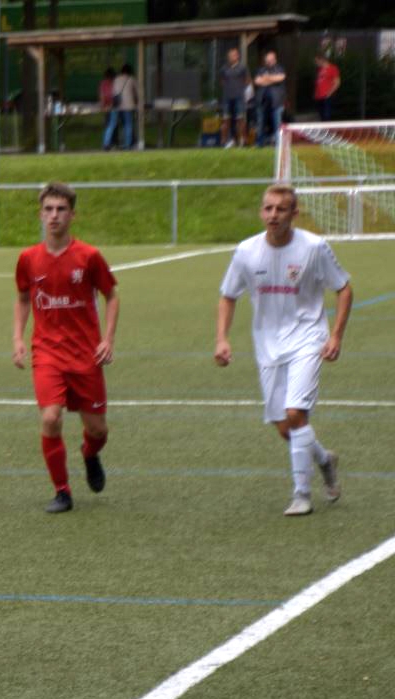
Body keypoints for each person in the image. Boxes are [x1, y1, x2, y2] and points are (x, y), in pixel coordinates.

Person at [214, 184, 352, 516]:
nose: (273, 215)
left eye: (280, 209)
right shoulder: (247, 251)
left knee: (295, 413)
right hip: (268, 345)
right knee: (284, 428)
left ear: (294, 213)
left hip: (307, 338)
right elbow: (228, 295)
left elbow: (344, 288)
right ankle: (324, 459)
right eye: (268, 208)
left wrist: (335, 336)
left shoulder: (314, 247)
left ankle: (301, 494)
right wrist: (222, 338)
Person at [13, 183, 120, 513]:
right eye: (48, 209)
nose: (54, 216)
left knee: (98, 429)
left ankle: (89, 454)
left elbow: (111, 295)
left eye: (61, 209)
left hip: (86, 355)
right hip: (47, 353)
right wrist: (18, 337)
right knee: (50, 418)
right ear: (40, 214)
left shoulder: (88, 256)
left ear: (72, 214)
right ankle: (62, 491)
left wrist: (108, 339)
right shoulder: (28, 259)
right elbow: (22, 298)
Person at [254, 51, 287, 147]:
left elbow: (281, 78)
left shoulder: (280, 68)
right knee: (260, 124)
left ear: (275, 59)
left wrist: (267, 78)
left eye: (271, 60)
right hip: (262, 101)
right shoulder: (260, 70)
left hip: (276, 102)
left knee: (277, 124)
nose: (269, 62)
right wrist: (272, 80)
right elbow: (257, 81)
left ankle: (278, 144)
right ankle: (260, 144)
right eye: (267, 60)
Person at [219, 48, 250, 148]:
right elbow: (222, 81)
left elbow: (247, 81)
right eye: (230, 55)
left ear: (237, 56)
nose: (231, 57)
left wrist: (239, 89)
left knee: (240, 119)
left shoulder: (242, 68)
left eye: (233, 55)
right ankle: (224, 142)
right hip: (227, 97)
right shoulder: (224, 68)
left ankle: (243, 140)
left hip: (239, 97)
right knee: (226, 119)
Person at [102, 64, 136, 151]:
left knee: (111, 124)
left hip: (116, 105)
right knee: (128, 125)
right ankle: (128, 144)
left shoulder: (116, 79)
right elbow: (137, 92)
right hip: (128, 105)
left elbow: (113, 92)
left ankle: (106, 143)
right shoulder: (131, 79)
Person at [314, 55, 341, 122]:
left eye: (317, 61)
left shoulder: (333, 68)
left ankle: (328, 130)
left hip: (327, 96)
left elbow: (337, 82)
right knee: (321, 116)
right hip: (319, 96)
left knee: (327, 116)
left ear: (322, 60)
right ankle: (324, 130)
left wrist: (330, 93)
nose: (316, 63)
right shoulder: (319, 70)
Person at [98, 68, 119, 149]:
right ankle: (107, 143)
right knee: (112, 124)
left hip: (106, 106)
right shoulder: (113, 83)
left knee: (108, 125)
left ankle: (109, 143)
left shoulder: (103, 83)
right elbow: (114, 95)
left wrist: (102, 105)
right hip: (113, 105)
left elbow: (102, 95)